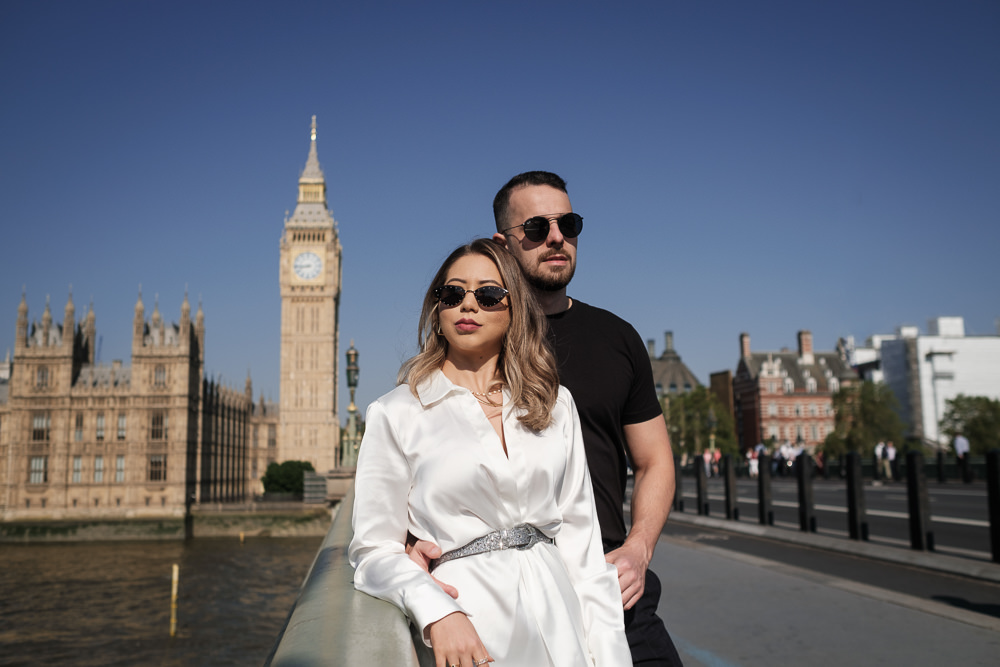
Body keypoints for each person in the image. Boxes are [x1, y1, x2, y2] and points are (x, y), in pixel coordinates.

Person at [349, 239, 631, 666]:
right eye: (452, 293)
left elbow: (585, 551)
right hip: (470, 628)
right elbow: (372, 552)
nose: (468, 305)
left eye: (488, 294)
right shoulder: (396, 413)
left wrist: (611, 658)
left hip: (561, 620)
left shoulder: (555, 404)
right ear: (436, 310)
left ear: (514, 307)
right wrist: (437, 611)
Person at [491, 171, 681, 666]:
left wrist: (640, 548)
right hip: (512, 594)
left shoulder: (618, 337)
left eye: (568, 224)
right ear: (503, 244)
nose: (556, 238)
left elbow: (655, 459)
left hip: (611, 585)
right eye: (536, 228)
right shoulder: (476, 340)